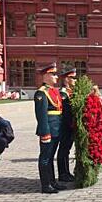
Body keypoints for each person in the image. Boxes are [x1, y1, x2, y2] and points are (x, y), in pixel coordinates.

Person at [34, 62, 66, 194]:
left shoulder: (53, 91)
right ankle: (45, 185)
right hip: (48, 131)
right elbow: (41, 116)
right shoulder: (41, 93)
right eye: (53, 74)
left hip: (56, 129)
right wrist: (45, 133)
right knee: (45, 158)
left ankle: (52, 182)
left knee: (51, 156)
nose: (56, 77)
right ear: (46, 75)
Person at [56, 68, 77, 182]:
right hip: (65, 126)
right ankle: (63, 174)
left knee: (66, 149)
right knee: (63, 149)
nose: (75, 80)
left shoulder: (70, 92)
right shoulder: (63, 94)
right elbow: (65, 112)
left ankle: (66, 172)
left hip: (70, 126)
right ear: (66, 79)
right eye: (72, 78)